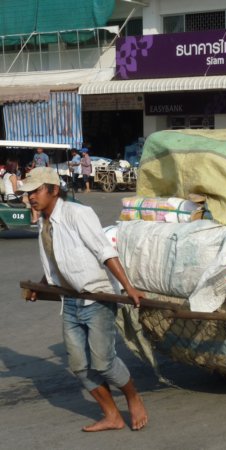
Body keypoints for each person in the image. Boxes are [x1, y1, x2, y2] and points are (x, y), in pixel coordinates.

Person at [20, 167, 149, 431]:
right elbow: (58, 261)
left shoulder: (78, 214)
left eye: (35, 191)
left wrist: (128, 288)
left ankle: (132, 396)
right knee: (79, 366)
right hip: (70, 301)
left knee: (103, 363)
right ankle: (111, 415)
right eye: (28, 192)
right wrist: (41, 286)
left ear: (53, 190)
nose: (30, 197)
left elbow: (104, 250)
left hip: (97, 297)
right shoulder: (44, 221)